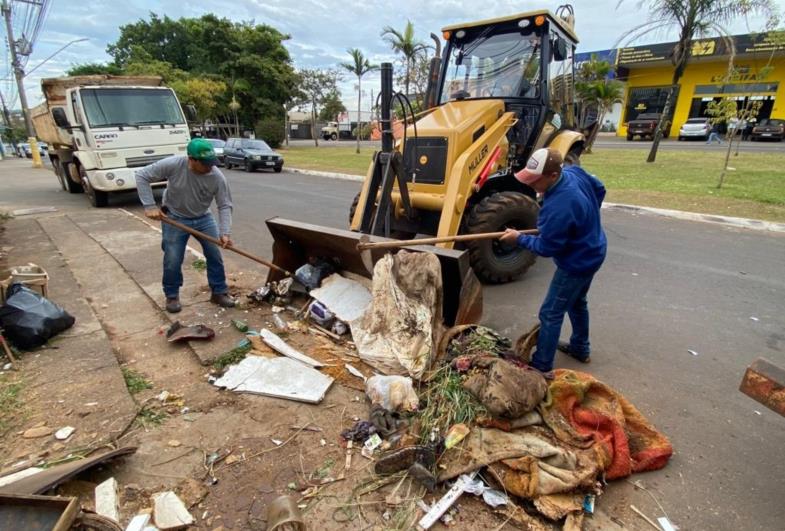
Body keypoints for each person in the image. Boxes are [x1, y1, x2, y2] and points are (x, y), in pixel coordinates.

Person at [499, 148, 607, 378]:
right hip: (595, 248)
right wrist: (584, 221)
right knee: (577, 302)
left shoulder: (561, 205)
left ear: (553, 175)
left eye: (536, 181)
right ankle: (580, 348)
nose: (531, 185)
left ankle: (542, 365)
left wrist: (519, 237)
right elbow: (600, 189)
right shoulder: (572, 172)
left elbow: (547, 248)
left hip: (578, 261)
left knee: (550, 313)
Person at [135, 138, 236, 313]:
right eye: (205, 164)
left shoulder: (217, 177)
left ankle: (219, 292)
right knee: (173, 258)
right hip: (175, 217)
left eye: (211, 163)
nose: (209, 167)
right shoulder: (174, 165)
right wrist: (150, 206)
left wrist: (225, 232)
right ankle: (172, 296)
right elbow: (142, 175)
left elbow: (225, 205)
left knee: (214, 254)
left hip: (203, 217)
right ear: (191, 159)